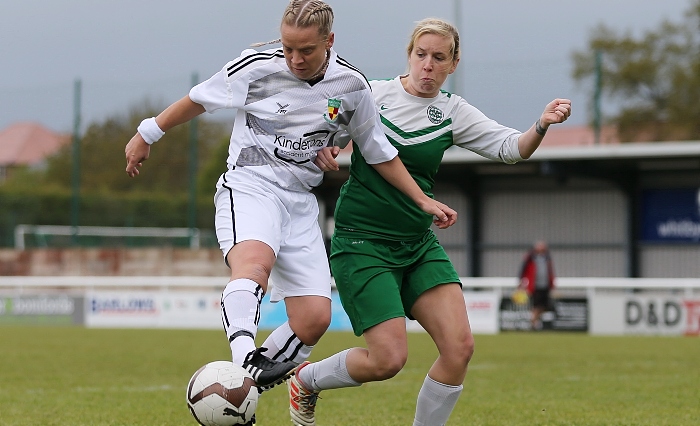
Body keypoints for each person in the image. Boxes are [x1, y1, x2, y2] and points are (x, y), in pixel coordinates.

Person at [124, 0, 456, 404]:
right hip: (250, 185)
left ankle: (252, 381)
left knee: (315, 318)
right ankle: (241, 363)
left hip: (300, 201)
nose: (295, 59)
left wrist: (421, 199)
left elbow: (377, 150)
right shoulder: (255, 64)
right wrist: (148, 134)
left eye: (306, 50)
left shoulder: (352, 86)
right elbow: (200, 98)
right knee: (253, 264)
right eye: (288, 48)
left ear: (329, 42)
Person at [286, 17, 572, 426]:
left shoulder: (453, 111)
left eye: (439, 58)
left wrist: (541, 124)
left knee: (459, 349)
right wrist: (327, 147)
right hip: (362, 244)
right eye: (421, 55)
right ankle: (307, 380)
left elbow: (512, 148)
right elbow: (326, 128)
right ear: (409, 56)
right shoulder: (372, 93)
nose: (428, 65)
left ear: (453, 64)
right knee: (388, 360)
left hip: (418, 245)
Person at [518, 240, 556, 330]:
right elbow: (523, 271)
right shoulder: (530, 258)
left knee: (544, 306)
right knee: (536, 305)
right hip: (534, 286)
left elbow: (550, 272)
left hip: (545, 286)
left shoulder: (547, 258)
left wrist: (552, 284)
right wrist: (521, 283)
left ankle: (534, 321)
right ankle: (533, 323)